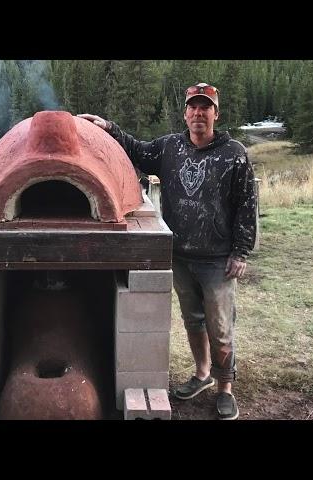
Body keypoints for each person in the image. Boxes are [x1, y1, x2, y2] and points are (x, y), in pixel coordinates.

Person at [78, 82, 257, 420]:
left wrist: (241, 251)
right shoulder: (170, 148)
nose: (198, 113)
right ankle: (202, 375)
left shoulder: (233, 153)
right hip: (180, 254)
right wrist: (110, 128)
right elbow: (138, 150)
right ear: (185, 112)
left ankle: (225, 389)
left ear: (216, 114)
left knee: (220, 327)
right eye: (193, 107)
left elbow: (247, 204)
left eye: (206, 107)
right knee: (193, 320)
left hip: (217, 258)